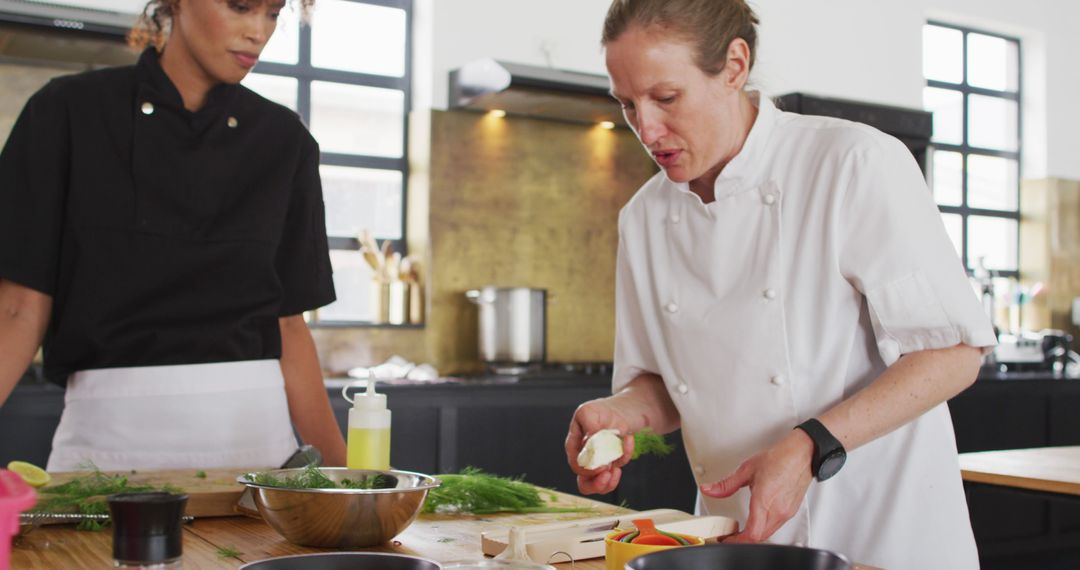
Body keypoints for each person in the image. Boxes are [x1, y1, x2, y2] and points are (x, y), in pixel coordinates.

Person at [564, 1, 996, 568]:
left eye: (666, 98)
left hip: (883, 529)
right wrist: (622, 413)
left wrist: (809, 443)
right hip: (742, 534)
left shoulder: (852, 163)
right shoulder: (643, 218)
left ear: (735, 65)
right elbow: (668, 385)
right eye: (627, 104)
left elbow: (954, 351)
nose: (646, 128)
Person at [0, 0, 347, 470]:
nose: (258, 32)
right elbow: (18, 309)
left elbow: (288, 325)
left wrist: (346, 481)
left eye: (273, 13)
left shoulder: (285, 140)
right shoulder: (67, 112)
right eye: (241, 6)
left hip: (258, 457)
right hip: (104, 454)